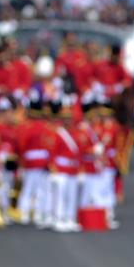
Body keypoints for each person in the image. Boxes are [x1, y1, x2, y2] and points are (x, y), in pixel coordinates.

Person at [16, 98, 54, 226]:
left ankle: (24, 214)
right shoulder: (47, 127)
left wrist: (21, 163)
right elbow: (51, 146)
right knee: (40, 189)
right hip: (43, 162)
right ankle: (38, 213)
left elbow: (21, 146)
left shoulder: (25, 127)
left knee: (28, 188)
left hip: (29, 162)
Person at [49, 99, 83, 233]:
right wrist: (54, 170)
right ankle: (59, 218)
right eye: (65, 118)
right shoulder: (57, 133)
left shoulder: (77, 133)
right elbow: (52, 153)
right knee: (60, 196)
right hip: (61, 169)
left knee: (72, 195)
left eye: (69, 118)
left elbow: (79, 152)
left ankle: (70, 219)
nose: (67, 120)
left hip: (73, 169)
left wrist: (81, 170)